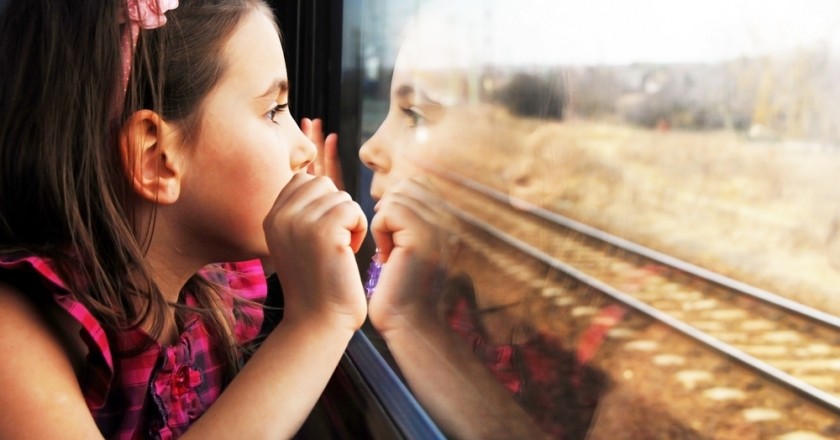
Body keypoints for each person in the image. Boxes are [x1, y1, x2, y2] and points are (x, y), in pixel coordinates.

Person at [0, 1, 369, 438]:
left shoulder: (215, 289)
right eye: (274, 110)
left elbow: (305, 266)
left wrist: (324, 248)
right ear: (156, 159)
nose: (304, 148)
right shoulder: (15, 335)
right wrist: (315, 323)